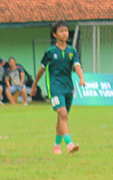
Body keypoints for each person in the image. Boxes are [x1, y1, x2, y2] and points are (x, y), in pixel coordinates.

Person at [31, 20, 86, 155]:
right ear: (55, 34)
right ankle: (69, 144)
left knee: (62, 117)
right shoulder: (50, 51)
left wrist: (82, 78)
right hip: (54, 87)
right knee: (63, 114)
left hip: (68, 87)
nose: (65, 33)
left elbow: (77, 66)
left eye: (66, 31)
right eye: (61, 31)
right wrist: (34, 84)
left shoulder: (72, 51)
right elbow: (42, 69)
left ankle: (56, 146)